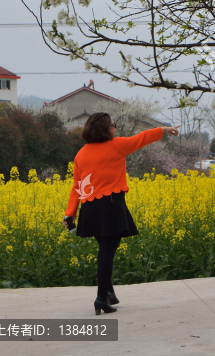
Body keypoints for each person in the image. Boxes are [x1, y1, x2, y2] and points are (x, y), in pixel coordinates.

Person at [62, 113, 179, 315]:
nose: (115, 128)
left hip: (90, 209)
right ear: (106, 129)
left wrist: (70, 213)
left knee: (105, 250)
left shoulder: (80, 154)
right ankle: (101, 299)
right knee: (107, 253)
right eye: (113, 125)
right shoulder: (117, 145)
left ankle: (109, 293)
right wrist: (164, 130)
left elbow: (77, 187)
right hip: (111, 206)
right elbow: (141, 138)